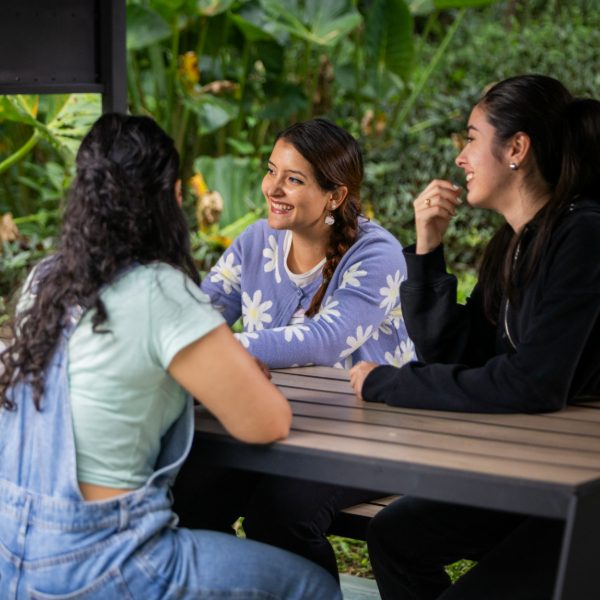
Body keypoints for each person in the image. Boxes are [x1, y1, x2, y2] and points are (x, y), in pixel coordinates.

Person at [0, 113, 342, 600]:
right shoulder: (159, 290)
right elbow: (266, 424)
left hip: (11, 552)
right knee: (310, 586)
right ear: (172, 199)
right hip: (102, 559)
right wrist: (239, 371)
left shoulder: (45, 281)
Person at [349, 76, 600, 599]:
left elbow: (532, 384)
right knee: (395, 534)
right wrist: (428, 247)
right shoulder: (514, 242)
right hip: (539, 469)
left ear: (516, 148)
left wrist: (389, 383)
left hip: (585, 489)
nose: (461, 157)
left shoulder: (584, 235)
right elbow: (457, 351)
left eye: (470, 137)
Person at [173, 118, 413, 580]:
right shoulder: (255, 242)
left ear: (335, 196)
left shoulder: (375, 253)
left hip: (373, 431)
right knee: (187, 496)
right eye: (271, 171)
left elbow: (325, 340)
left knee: (279, 513)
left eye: (294, 179)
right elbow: (200, 317)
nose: (273, 188)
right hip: (281, 423)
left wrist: (222, 347)